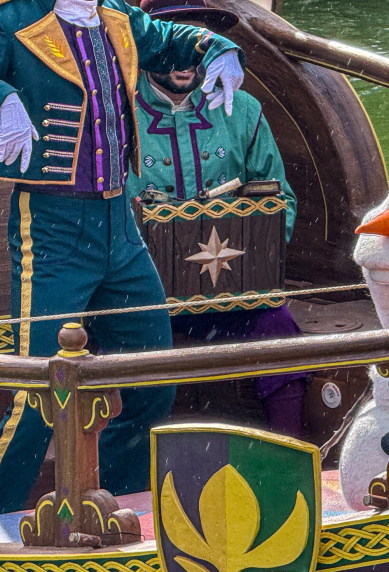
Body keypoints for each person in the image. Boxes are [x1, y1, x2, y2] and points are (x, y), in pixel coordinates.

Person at [0, 0, 245, 512]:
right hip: (52, 224)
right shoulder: (12, 16)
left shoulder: (118, 16)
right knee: (39, 393)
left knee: (150, 377)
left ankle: (120, 498)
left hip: (121, 225)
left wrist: (222, 49)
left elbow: (175, 38)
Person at [128, 0, 307, 437]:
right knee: (124, 353)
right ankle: (127, 482)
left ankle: (293, 453)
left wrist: (253, 257)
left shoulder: (242, 110)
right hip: (145, 298)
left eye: (199, 44)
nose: (187, 60)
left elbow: (279, 198)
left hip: (234, 292)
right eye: (176, 42)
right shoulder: (120, 114)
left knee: (279, 328)